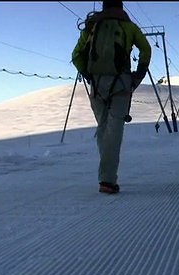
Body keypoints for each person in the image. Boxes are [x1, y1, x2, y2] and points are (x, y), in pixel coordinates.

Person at [71, 0, 151, 194]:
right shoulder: (129, 27)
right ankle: (107, 179)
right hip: (121, 83)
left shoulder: (92, 26)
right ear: (121, 7)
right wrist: (138, 76)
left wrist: (89, 75)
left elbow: (75, 56)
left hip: (97, 84)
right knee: (114, 130)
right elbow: (146, 49)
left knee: (103, 128)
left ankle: (106, 174)